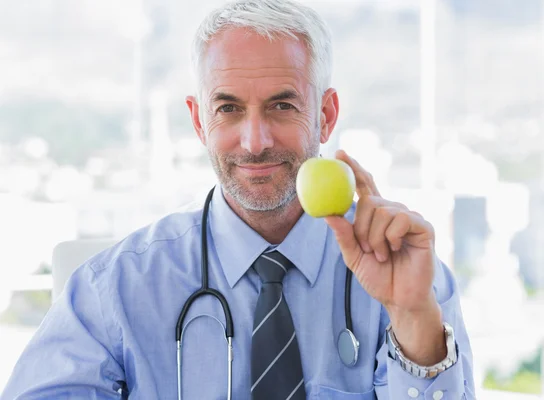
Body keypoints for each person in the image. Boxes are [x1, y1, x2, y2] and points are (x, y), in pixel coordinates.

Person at [1, 0, 475, 398]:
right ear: (199, 120)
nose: (254, 141)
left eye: (282, 106)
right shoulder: (115, 290)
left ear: (326, 115)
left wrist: (412, 319)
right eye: (228, 109)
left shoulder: (406, 273)